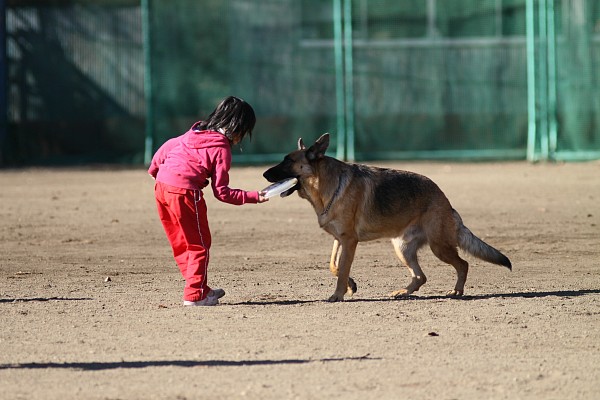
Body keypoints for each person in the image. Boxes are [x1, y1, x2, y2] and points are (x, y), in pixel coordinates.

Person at [148, 96, 268, 306]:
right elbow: (222, 192)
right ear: (238, 128)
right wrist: (254, 197)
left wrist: (155, 170)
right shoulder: (221, 148)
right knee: (199, 245)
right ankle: (195, 295)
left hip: (161, 189)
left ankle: (199, 287)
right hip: (185, 193)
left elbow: (168, 146)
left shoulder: (195, 132)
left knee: (181, 243)